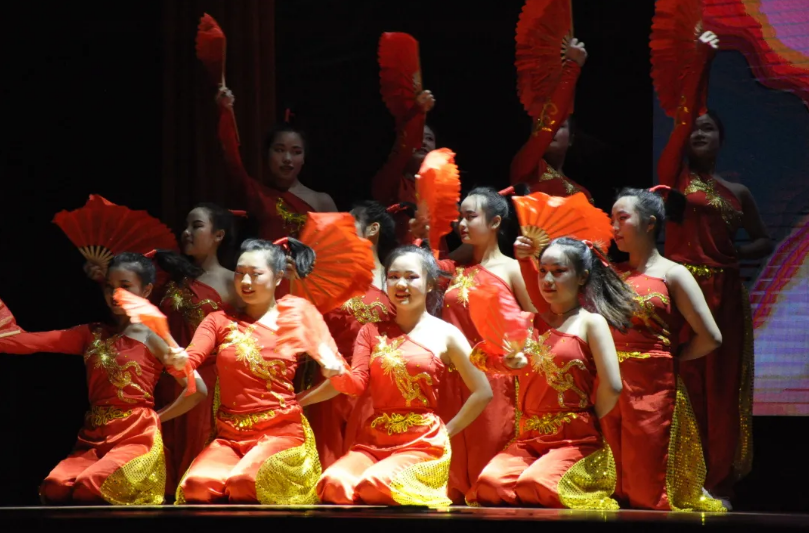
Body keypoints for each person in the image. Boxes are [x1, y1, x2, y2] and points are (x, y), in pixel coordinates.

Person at [0, 253, 206, 505]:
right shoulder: (91, 334)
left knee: (90, 486)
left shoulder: (154, 338)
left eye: (125, 286)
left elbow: (197, 390)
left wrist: (156, 418)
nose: (115, 294)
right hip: (94, 437)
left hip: (135, 437)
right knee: (55, 487)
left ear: (146, 290)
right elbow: (26, 342)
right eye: (109, 286)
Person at [313, 245, 493, 506]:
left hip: (421, 442)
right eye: (394, 277)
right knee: (333, 484)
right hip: (374, 441)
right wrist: (337, 371)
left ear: (430, 284)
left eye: (411, 277)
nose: (401, 284)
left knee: (375, 485)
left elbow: (482, 391)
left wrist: (446, 432)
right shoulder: (371, 331)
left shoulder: (447, 334)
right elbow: (357, 385)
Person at [172, 238, 343, 504]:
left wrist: (303, 399)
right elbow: (191, 359)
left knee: (245, 483)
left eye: (255, 274)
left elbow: (339, 376)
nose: (245, 282)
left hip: (280, 434)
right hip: (230, 437)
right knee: (196, 486)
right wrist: (177, 360)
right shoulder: (219, 320)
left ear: (278, 277)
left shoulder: (297, 322)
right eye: (240, 273)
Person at [467, 237, 630, 509]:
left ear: (582, 277)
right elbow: (480, 356)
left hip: (574, 439)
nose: (547, 280)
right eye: (542, 271)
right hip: (528, 440)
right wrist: (507, 363)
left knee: (536, 485)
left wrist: (586, 418)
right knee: (489, 485)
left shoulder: (591, 323)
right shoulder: (526, 322)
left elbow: (613, 386)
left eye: (558, 271)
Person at [660, 110, 773, 500]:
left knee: (722, 386)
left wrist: (732, 255)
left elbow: (763, 239)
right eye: (692, 128)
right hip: (683, 289)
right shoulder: (673, 180)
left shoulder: (737, 192)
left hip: (725, 295)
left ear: (721, 139)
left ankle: (716, 478)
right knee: (684, 379)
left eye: (707, 128)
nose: (698, 133)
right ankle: (680, 475)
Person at [605, 187, 726, 511]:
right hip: (608, 387)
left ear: (650, 223)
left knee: (647, 491)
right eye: (611, 220)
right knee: (610, 486)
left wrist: (671, 357)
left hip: (652, 390)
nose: (614, 227)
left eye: (622, 218)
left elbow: (711, 336)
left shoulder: (673, 273)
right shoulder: (612, 275)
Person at [434, 187, 536, 503]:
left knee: (487, 465)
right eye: (459, 218)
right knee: (453, 474)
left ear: (494, 222)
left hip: (496, 380)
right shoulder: (456, 272)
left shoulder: (512, 268)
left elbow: (535, 321)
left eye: (470, 216)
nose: (461, 224)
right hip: (455, 378)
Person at [304, 200, 397, 469]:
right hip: (330, 379)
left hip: (375, 385)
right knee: (326, 464)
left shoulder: (395, 279)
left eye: (351, 223)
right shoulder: (328, 277)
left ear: (373, 229)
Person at [216, 88, 337, 241]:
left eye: (296, 152)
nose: (287, 158)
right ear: (267, 154)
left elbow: (338, 247)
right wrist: (225, 111)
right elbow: (232, 160)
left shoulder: (322, 202)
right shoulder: (257, 194)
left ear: (304, 158)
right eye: (279, 150)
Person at [510, 38, 592, 202]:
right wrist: (572, 67)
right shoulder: (524, 166)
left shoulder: (583, 195)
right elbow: (547, 124)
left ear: (571, 139)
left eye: (560, 126)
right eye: (545, 124)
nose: (552, 129)